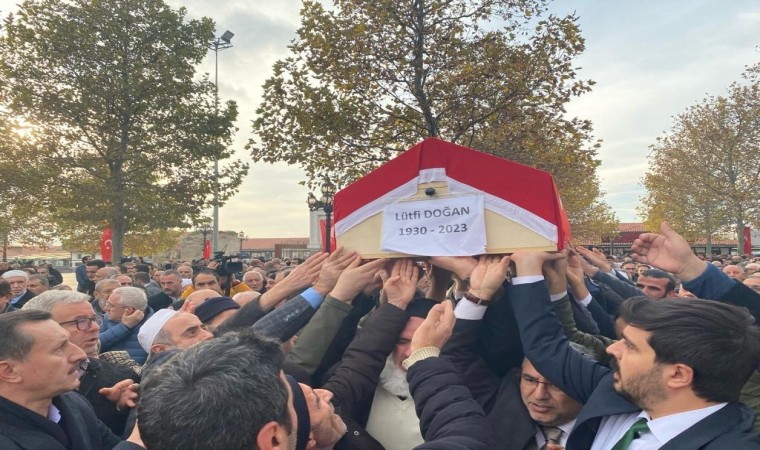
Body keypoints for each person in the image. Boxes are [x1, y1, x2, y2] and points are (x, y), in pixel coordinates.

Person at [507, 243, 760, 449]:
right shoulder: (617, 392)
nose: (612, 349)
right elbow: (545, 346)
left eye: (630, 346)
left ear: (678, 374)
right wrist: (529, 271)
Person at [22, 291, 140, 436]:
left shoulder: (122, 379)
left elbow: (112, 440)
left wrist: (122, 409)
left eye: (94, 319)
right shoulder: (19, 384)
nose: (95, 327)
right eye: (80, 321)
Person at [0, 310, 121, 448]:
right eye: (60, 348)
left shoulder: (73, 402)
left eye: (69, 342)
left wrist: (128, 409)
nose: (80, 354)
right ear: (9, 371)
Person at [100, 287, 153, 364]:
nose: (105, 308)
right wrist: (124, 327)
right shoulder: (103, 320)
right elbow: (95, 345)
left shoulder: (154, 327)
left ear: (129, 310)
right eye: (107, 303)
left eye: (110, 305)